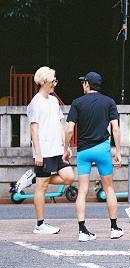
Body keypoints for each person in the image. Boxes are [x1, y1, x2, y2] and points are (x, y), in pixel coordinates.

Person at [64, 72, 123, 242]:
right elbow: (115, 129)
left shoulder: (77, 103)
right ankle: (114, 228)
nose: (82, 85)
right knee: (109, 188)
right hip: (102, 148)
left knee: (82, 190)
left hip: (83, 151)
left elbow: (69, 129)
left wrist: (65, 149)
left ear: (87, 84)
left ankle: (82, 230)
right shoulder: (109, 102)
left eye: (83, 82)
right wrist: (118, 152)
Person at [26, 66, 75, 235]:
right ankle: (40, 224)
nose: (55, 83)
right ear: (45, 82)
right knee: (42, 188)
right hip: (44, 151)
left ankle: (38, 179)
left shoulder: (53, 101)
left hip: (57, 149)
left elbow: (61, 125)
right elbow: (33, 129)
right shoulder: (35, 102)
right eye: (53, 80)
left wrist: (66, 147)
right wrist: (38, 153)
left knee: (69, 177)